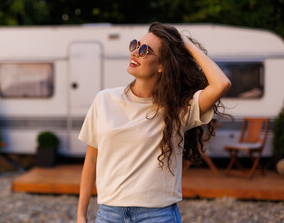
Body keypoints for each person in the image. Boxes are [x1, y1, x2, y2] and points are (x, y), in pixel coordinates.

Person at [76, 22, 231, 223]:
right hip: (108, 214)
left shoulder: (179, 109)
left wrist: (186, 44)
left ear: (162, 66)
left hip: (157, 215)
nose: (135, 53)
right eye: (135, 45)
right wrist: (81, 214)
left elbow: (222, 84)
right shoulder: (104, 100)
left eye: (145, 50)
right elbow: (91, 161)